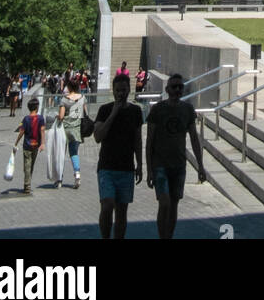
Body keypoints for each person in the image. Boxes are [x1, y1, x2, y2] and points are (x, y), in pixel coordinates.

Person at [145, 73, 206, 239]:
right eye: (174, 87)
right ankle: (162, 236)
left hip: (179, 165)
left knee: (174, 205)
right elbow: (149, 141)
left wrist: (200, 165)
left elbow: (193, 138)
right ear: (167, 89)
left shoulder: (187, 109)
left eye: (180, 86)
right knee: (164, 203)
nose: (178, 89)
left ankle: (168, 236)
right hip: (160, 165)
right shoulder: (157, 109)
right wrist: (149, 169)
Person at [94, 73, 143, 240]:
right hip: (107, 167)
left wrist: (140, 164)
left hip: (126, 168)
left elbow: (138, 139)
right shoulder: (104, 110)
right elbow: (97, 136)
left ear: (129, 90)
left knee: (122, 212)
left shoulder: (136, 111)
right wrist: (113, 113)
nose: (121, 94)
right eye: (117, 90)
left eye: (124, 90)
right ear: (113, 91)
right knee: (107, 205)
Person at [56, 77, 86, 189]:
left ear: (68, 87)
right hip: (76, 129)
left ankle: (59, 179)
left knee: (61, 153)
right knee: (74, 153)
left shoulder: (64, 99)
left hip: (65, 129)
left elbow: (61, 116)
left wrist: (57, 116)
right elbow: (85, 113)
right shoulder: (83, 98)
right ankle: (77, 174)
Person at [16, 96, 46, 194]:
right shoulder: (40, 118)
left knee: (27, 165)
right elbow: (42, 130)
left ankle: (27, 184)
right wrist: (42, 143)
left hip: (27, 145)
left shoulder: (26, 119)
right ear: (36, 107)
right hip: (36, 145)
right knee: (31, 165)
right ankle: (28, 183)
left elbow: (21, 132)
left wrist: (16, 142)